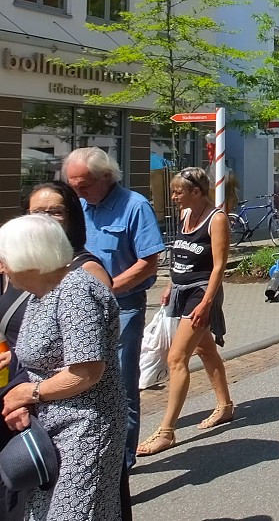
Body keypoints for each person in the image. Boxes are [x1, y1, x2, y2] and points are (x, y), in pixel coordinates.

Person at [0, 215, 125, 521]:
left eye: (3, 258)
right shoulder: (40, 294)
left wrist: (31, 392)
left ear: (26, 257)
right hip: (51, 428)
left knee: (76, 514)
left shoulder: (76, 290)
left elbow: (86, 371)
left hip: (86, 428)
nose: (1, 267)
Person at [63, 147, 164, 472]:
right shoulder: (77, 207)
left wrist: (103, 291)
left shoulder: (134, 207)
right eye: (73, 185)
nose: (78, 192)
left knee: (120, 385)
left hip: (123, 308)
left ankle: (120, 466)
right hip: (77, 310)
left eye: (85, 185)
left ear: (107, 177)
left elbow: (148, 264)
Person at [137, 168, 233, 456]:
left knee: (176, 357)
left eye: (179, 191)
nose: (174, 196)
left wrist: (206, 303)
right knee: (205, 351)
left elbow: (219, 266)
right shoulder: (184, 216)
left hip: (201, 294)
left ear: (196, 192)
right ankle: (225, 406)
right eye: (174, 191)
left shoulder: (216, 219)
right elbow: (178, 254)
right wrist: (169, 283)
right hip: (180, 292)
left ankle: (166, 431)